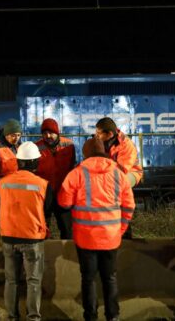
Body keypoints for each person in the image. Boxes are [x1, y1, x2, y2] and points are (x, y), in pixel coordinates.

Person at [58, 137, 135, 321]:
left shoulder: (76, 174)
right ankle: (113, 316)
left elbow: (63, 202)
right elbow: (129, 206)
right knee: (110, 278)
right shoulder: (118, 174)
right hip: (110, 238)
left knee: (88, 279)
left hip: (85, 239)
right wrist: (120, 229)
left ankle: (90, 317)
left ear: (86, 153)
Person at [0, 141, 52, 321]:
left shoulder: (3, 183)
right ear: (34, 162)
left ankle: (12, 317)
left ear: (19, 161)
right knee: (33, 281)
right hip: (32, 239)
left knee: (11, 281)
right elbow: (48, 209)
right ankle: (33, 318)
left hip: (8, 237)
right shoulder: (43, 184)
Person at [94, 117, 142, 239]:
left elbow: (121, 170)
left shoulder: (126, 144)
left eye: (99, 133)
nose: (96, 135)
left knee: (118, 189)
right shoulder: (101, 141)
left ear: (109, 134)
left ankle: (125, 233)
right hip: (110, 174)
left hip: (131, 173)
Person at [35, 118, 76, 239]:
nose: (47, 136)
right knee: (42, 225)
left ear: (57, 133)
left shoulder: (69, 145)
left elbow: (72, 167)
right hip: (44, 193)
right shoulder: (36, 147)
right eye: (44, 133)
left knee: (66, 227)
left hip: (63, 191)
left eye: (51, 133)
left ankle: (67, 253)